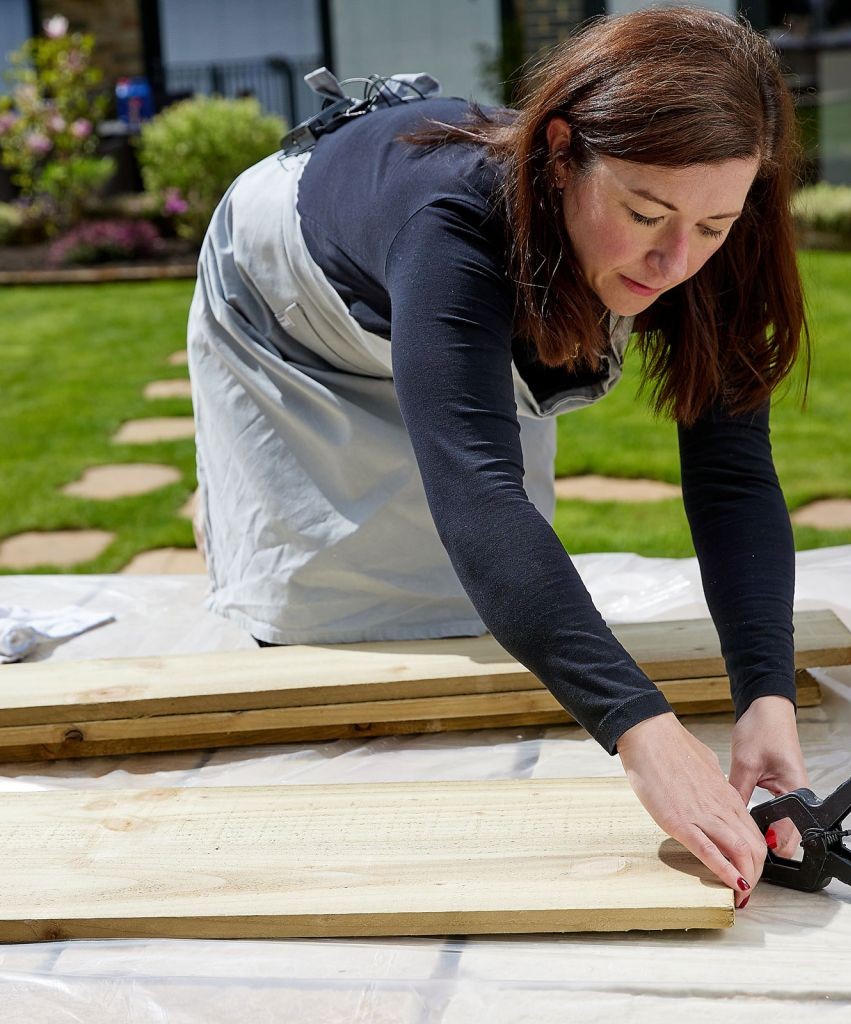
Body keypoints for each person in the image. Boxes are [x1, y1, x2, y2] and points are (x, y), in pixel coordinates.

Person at [185, 6, 811, 910]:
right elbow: (479, 492)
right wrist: (646, 734)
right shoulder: (452, 226)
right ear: (562, 152)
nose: (677, 259)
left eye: (713, 226)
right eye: (644, 213)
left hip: (477, 270)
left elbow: (732, 470)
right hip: (289, 300)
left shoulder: (712, 215)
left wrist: (766, 697)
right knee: (326, 618)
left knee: (479, 614)